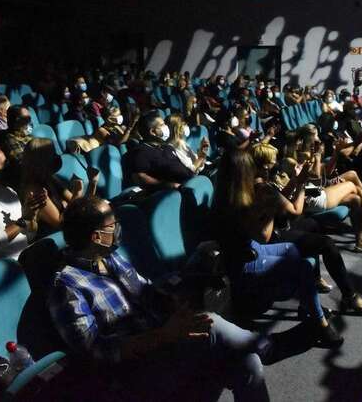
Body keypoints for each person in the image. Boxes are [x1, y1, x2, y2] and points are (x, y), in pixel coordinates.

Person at [48, 196, 270, 401]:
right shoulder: (66, 286)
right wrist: (164, 335)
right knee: (212, 325)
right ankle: (267, 345)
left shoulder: (109, 257)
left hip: (164, 342)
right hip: (133, 371)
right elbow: (95, 350)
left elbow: (146, 291)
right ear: (96, 236)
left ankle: (259, 346)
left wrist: (175, 306)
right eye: (113, 225)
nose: (117, 228)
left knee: (248, 363)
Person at [212, 149, 344, 348]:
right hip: (242, 262)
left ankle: (307, 305)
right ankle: (321, 325)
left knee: (292, 249)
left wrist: (272, 198)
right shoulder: (237, 203)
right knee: (303, 267)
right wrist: (269, 207)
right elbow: (263, 236)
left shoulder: (227, 193)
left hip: (250, 249)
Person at [249, 143, 362, 314]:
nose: (276, 164)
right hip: (272, 238)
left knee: (313, 224)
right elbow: (295, 211)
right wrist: (301, 184)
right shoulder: (263, 188)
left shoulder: (257, 182)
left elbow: (281, 198)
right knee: (327, 244)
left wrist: (295, 180)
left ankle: (314, 282)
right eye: (273, 161)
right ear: (264, 165)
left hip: (277, 227)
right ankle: (349, 296)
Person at [18, 138, 98, 232]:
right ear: (42, 161)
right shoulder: (35, 190)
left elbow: (80, 206)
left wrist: (93, 183)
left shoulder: (50, 179)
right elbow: (60, 224)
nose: (57, 156)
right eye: (53, 154)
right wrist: (77, 194)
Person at [122, 111, 194, 190]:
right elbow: (140, 177)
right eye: (162, 125)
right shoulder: (141, 152)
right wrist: (169, 185)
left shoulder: (167, 147)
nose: (166, 127)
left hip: (188, 183)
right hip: (170, 192)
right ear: (153, 132)